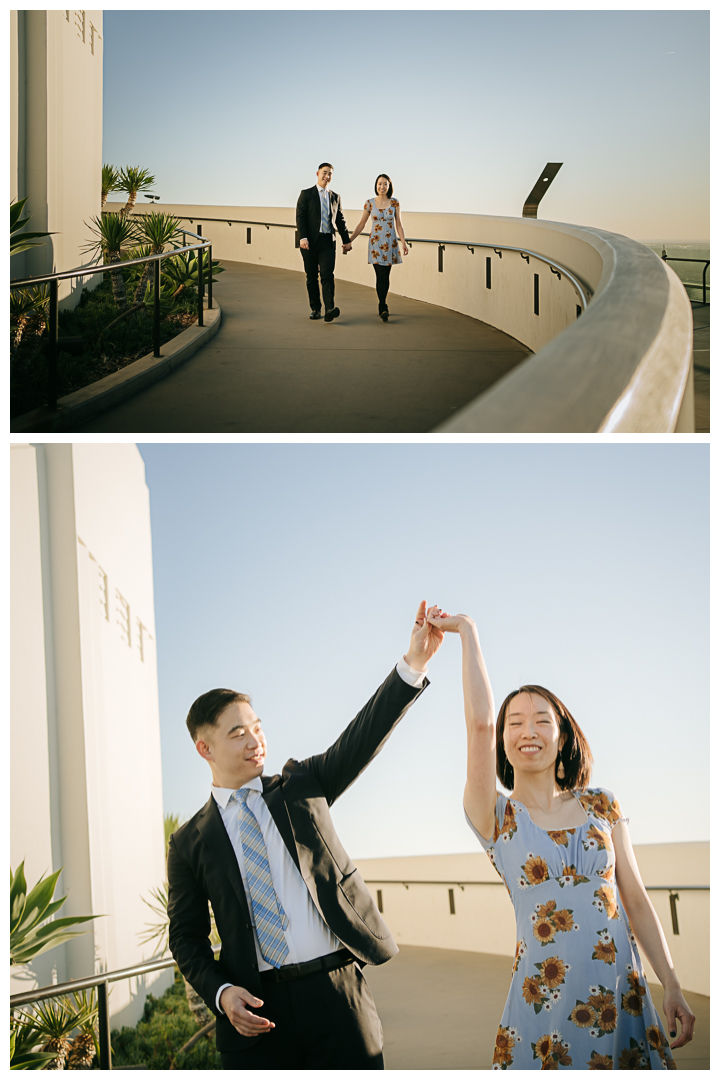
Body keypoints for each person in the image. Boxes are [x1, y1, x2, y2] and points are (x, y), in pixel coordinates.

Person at [167, 602, 446, 1070]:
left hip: (338, 998)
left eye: (257, 728)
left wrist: (413, 662)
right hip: (256, 1016)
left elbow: (361, 735)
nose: (255, 740)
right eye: (238, 733)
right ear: (205, 748)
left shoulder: (301, 786)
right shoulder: (188, 842)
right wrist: (221, 993)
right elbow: (186, 938)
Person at [427, 610, 695, 1071]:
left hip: (622, 998)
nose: (528, 731)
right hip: (542, 1010)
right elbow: (478, 725)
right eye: (515, 722)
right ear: (503, 739)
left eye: (541, 720)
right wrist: (468, 632)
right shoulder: (496, 815)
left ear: (562, 732)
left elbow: (634, 898)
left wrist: (670, 981)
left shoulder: (602, 805)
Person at [347, 174, 409, 321]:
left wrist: (404, 242)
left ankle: (383, 303)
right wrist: (349, 240)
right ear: (376, 185)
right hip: (375, 244)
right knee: (380, 275)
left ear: (389, 186)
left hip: (390, 243)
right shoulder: (369, 203)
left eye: (385, 184)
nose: (382, 187)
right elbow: (361, 224)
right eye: (380, 184)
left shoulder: (395, 203)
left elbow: (398, 224)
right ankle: (382, 306)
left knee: (385, 276)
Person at [296, 162, 352, 322]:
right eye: (324, 172)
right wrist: (302, 237)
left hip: (328, 241)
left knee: (327, 275)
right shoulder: (306, 194)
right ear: (317, 173)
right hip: (310, 242)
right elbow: (300, 217)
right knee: (312, 276)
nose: (327, 176)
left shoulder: (335, 197)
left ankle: (329, 309)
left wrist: (346, 240)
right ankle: (315, 308)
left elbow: (340, 220)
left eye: (330, 174)